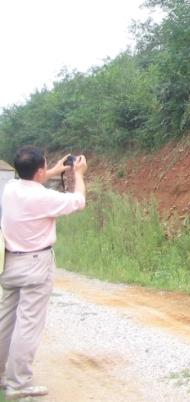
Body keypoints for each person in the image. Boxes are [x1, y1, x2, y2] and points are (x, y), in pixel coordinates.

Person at [0, 147, 87, 399]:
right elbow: (78, 201)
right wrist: (78, 173)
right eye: (44, 168)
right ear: (39, 171)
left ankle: (2, 375)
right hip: (35, 263)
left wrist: (56, 170)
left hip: (10, 263)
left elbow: (30, 180)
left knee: (6, 320)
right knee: (28, 324)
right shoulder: (45, 199)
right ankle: (19, 383)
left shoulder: (10, 189)